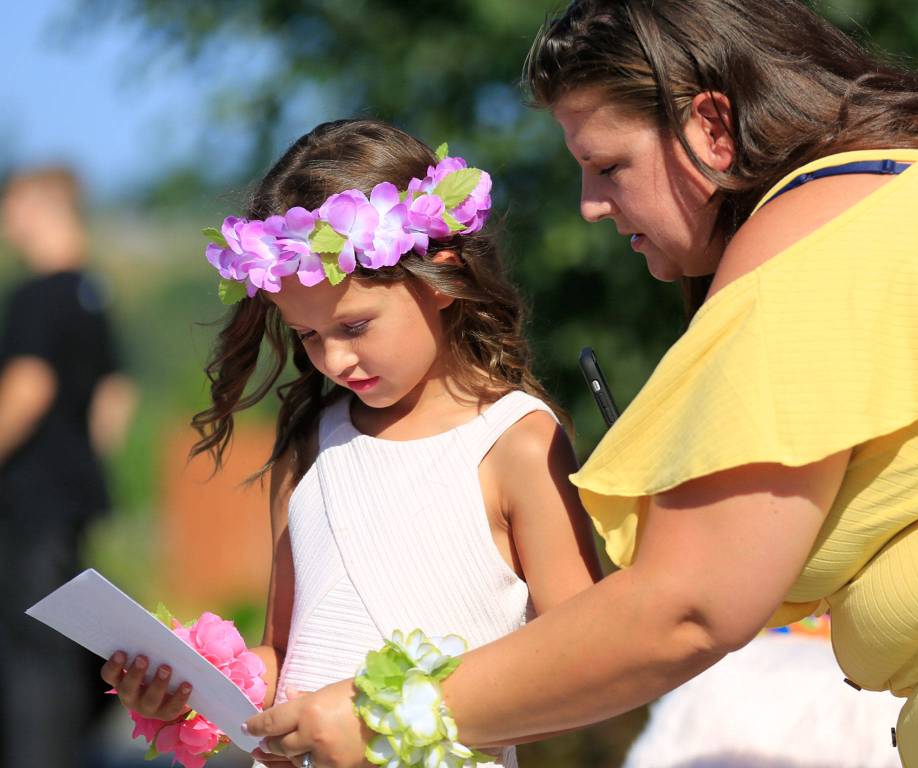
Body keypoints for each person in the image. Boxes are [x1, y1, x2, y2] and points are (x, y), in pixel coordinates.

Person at [241, 2, 918, 768]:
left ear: (713, 128)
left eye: (610, 166)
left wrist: (395, 715)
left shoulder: (798, 260)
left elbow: (684, 611)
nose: (588, 206)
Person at [100, 119, 602, 768]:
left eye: (355, 325)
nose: (333, 359)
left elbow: (588, 664)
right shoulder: (313, 440)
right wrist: (195, 689)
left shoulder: (516, 443)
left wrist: (401, 718)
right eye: (307, 336)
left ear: (441, 275)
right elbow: (284, 656)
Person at [0, 166, 137, 767]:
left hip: (28, 499)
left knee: (29, 647)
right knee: (60, 632)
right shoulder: (92, 292)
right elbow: (116, 398)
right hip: (73, 494)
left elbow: (28, 388)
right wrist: (79, 463)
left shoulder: (37, 294)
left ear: (35, 207)